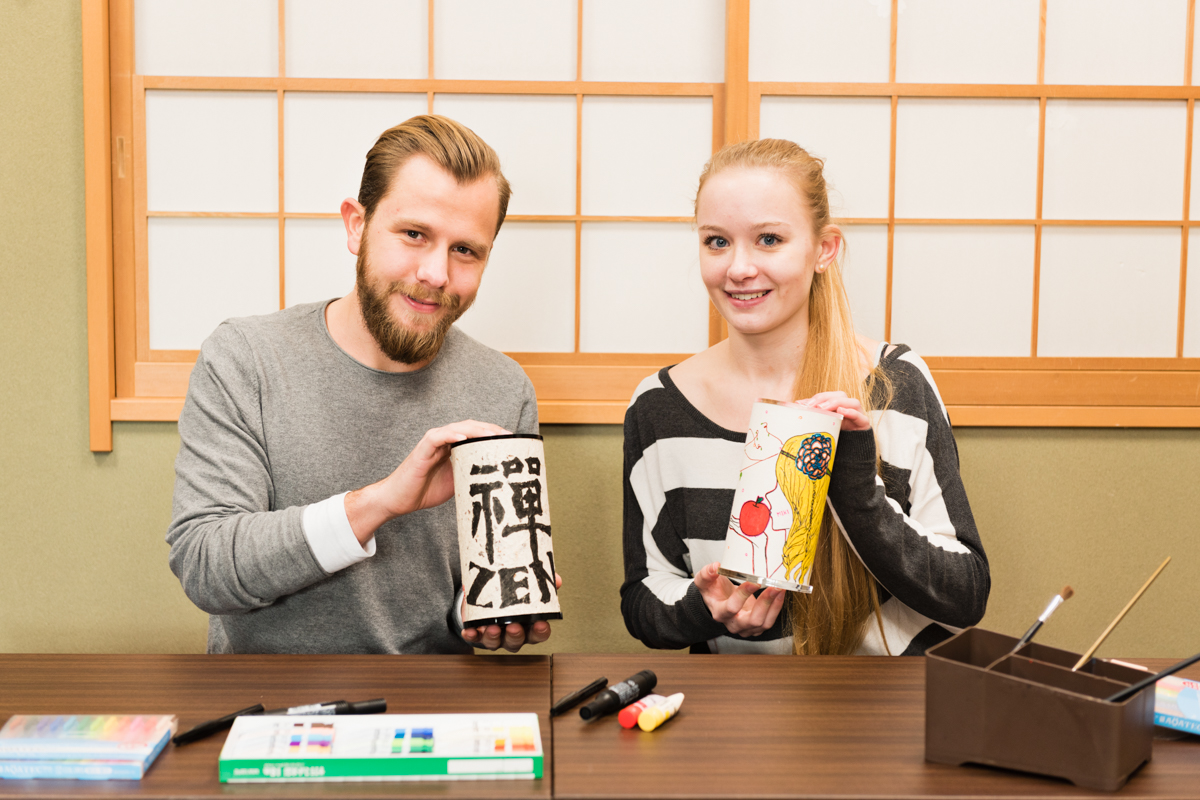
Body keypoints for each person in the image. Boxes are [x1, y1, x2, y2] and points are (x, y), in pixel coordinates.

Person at [167, 115, 558, 655]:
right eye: (414, 234)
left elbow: (464, 595)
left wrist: (481, 610)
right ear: (357, 225)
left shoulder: (502, 388)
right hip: (268, 708)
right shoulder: (246, 359)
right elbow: (206, 565)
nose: (437, 273)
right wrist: (380, 502)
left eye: (465, 250)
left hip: (431, 711)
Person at [620, 139, 989, 656]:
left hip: (887, 711)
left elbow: (966, 593)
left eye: (769, 239)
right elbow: (643, 598)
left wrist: (858, 492)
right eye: (716, 242)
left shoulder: (892, 382)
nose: (739, 268)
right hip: (737, 716)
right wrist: (705, 611)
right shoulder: (659, 405)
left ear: (824, 249)